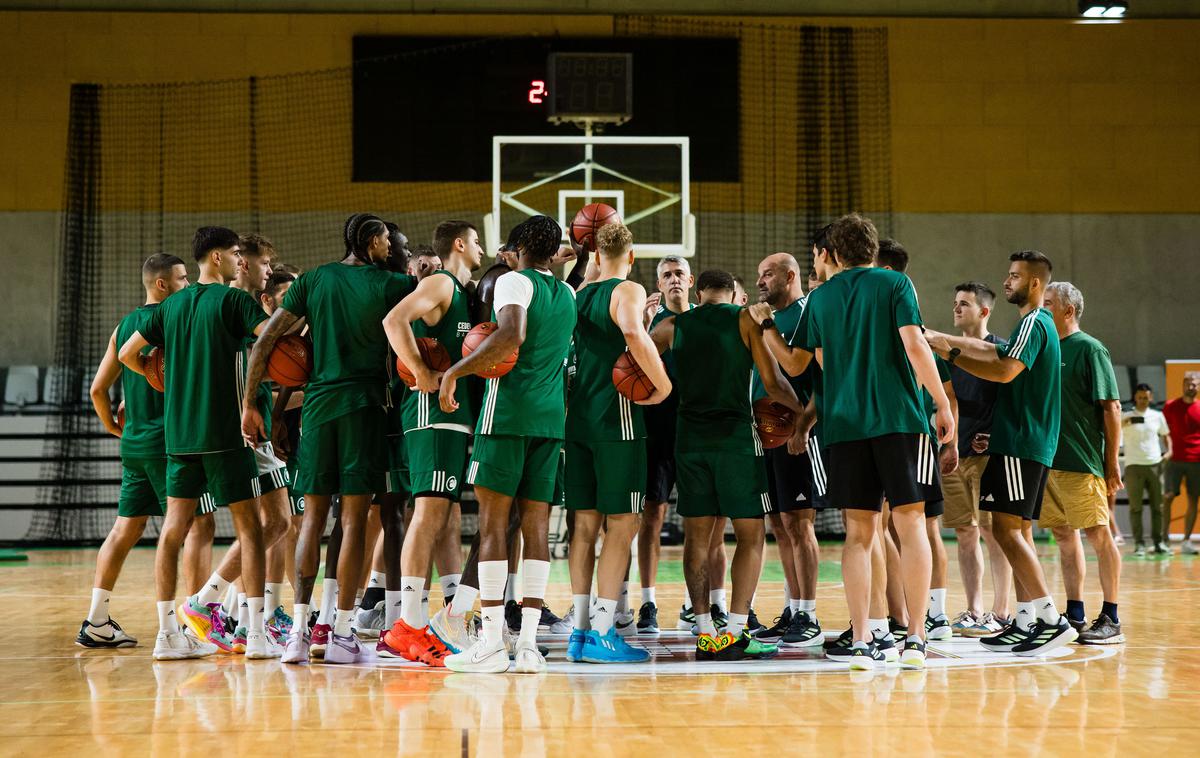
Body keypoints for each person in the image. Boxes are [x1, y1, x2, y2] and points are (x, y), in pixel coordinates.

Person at [242, 214, 414, 665]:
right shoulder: (391, 284)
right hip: (364, 407)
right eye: (385, 240)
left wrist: (251, 406)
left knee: (313, 518)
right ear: (374, 241)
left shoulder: (314, 280)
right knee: (354, 520)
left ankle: (299, 634)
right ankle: (339, 633)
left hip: (317, 407)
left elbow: (264, 344)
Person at [790, 214, 952, 671]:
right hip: (900, 421)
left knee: (859, 535)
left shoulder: (818, 300)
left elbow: (819, 361)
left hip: (844, 427)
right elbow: (915, 346)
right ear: (872, 250)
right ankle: (916, 638)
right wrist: (942, 402)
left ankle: (862, 638)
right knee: (911, 524)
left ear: (834, 254)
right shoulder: (895, 285)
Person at [118, 227, 274, 661]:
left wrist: (154, 373)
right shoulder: (234, 301)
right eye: (236, 253)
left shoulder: (170, 307)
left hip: (180, 437)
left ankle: (167, 634)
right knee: (251, 529)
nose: (241, 260)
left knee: (173, 530)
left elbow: (127, 355)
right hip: (224, 434)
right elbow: (269, 339)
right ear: (218, 258)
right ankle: (257, 633)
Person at [438, 215, 577, 674]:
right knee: (536, 527)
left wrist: (456, 371)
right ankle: (529, 648)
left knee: (494, 526)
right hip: (550, 419)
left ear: (517, 249)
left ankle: (493, 642)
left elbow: (512, 334)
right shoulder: (568, 294)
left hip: (506, 415)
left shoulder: (514, 282)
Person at [924, 250, 1079, 656]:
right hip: (1024, 443)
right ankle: (1026, 619)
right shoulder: (1031, 325)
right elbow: (994, 354)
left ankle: (1050, 618)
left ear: (1034, 284)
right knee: (1016, 531)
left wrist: (949, 349)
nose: (1007, 281)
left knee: (1007, 532)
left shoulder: (1034, 321)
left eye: (1014, 276)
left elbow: (1005, 368)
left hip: (1021, 441)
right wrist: (947, 343)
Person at [651, 269, 801, 661]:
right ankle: (735, 631)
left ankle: (703, 631)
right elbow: (772, 383)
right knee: (751, 534)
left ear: (698, 293)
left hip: (689, 441)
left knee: (697, 538)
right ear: (735, 293)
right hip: (735, 439)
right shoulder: (745, 320)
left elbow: (636, 366)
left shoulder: (671, 326)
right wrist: (800, 413)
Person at [563, 223, 670, 664]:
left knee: (583, 528)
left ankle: (580, 632)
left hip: (578, 420)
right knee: (624, 525)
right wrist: (662, 384)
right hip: (618, 420)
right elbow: (629, 332)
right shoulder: (627, 288)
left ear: (593, 256)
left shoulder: (578, 293)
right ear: (631, 256)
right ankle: (605, 633)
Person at [378, 220, 484, 665]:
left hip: (452, 417)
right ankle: (409, 625)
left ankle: (430, 620)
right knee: (427, 514)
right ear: (459, 245)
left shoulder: (464, 294)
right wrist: (420, 371)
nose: (481, 248)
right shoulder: (441, 282)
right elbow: (393, 319)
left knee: (443, 514)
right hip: (430, 412)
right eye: (476, 241)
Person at [76, 254, 189, 649]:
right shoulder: (175, 322)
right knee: (194, 527)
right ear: (162, 285)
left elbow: (96, 390)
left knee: (127, 527)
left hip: (135, 442)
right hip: (168, 442)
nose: (187, 285)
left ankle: (97, 619)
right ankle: (188, 623)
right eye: (182, 278)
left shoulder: (124, 326)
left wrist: (113, 427)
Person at [1040, 282, 1124, 644]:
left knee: (1097, 535)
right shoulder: (1045, 350)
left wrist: (1111, 463)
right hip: (1048, 461)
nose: (1041, 311)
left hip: (1082, 460)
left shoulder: (1090, 349)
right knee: (1062, 535)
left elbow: (1112, 408)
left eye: (1048, 305)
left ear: (1068, 310)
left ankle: (1111, 616)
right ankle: (1074, 613)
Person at [747, 252, 824, 647]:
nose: (761, 281)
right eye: (759, 274)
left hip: (799, 435)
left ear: (790, 276)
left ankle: (810, 616)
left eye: (768, 274)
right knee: (780, 525)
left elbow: (820, 379)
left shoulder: (808, 313)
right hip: (768, 433)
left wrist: (804, 424)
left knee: (800, 523)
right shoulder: (764, 320)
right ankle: (794, 608)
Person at [230, 233, 296, 647]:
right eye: (265, 264)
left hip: (252, 426)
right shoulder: (236, 305)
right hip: (244, 429)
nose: (269, 271)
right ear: (242, 262)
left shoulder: (237, 305)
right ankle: (215, 607)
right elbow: (273, 343)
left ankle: (239, 613)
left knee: (273, 523)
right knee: (262, 526)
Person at [939, 282, 1013, 637]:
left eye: (964, 304)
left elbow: (1013, 402)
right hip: (955, 453)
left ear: (984, 311)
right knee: (965, 534)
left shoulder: (999, 350)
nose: (956, 308)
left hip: (988, 457)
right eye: (955, 303)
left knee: (992, 531)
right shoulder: (946, 352)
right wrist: (948, 443)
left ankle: (1001, 611)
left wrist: (995, 435)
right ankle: (973, 608)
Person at [637, 255, 694, 635]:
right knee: (652, 517)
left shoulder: (704, 319)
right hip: (657, 431)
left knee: (700, 521)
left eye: (679, 274)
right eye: (666, 275)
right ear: (658, 284)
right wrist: (641, 328)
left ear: (691, 280)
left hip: (694, 433)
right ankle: (647, 601)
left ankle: (697, 603)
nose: (673, 280)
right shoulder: (646, 326)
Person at [1123, 384, 1172, 555]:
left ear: (1150, 398)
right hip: (1133, 466)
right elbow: (1113, 433)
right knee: (1135, 508)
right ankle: (1139, 544)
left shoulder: (1157, 416)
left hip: (1155, 465)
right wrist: (1123, 421)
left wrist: (1170, 451)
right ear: (1135, 398)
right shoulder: (1125, 416)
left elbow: (1166, 435)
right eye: (1140, 397)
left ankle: (1159, 543)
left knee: (1158, 507)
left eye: (1146, 397)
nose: (1143, 400)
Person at [1164, 372, 1200, 554]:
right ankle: (1164, 540)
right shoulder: (1170, 406)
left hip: (1196, 462)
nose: (1191, 387)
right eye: (1188, 383)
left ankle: (1186, 541)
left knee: (1194, 499)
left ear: (1198, 386)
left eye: (1194, 384)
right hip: (1174, 460)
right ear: (1183, 384)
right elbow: (1163, 431)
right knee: (1168, 497)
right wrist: (1168, 450)